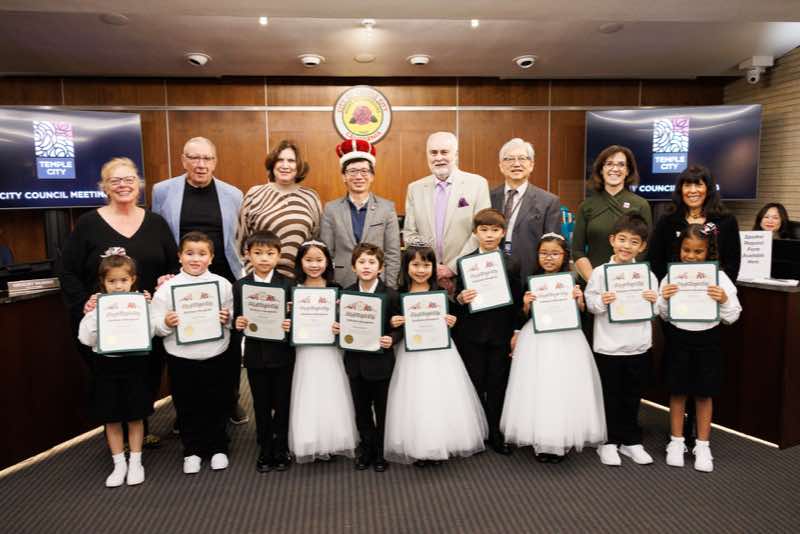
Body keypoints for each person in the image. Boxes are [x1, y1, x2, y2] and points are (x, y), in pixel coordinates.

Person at [61, 157, 177, 448]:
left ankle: (140, 431)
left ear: (139, 185)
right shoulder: (88, 224)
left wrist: (167, 282)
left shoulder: (156, 223)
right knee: (110, 382)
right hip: (106, 325)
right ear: (105, 187)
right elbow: (67, 270)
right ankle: (117, 439)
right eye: (116, 181)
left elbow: (173, 266)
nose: (123, 185)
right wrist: (84, 303)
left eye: (129, 179)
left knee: (147, 375)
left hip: (147, 322)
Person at [151, 137, 248, 426]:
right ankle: (185, 409)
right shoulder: (163, 191)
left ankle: (229, 399)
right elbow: (159, 233)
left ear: (215, 162)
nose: (200, 164)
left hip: (224, 278)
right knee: (183, 341)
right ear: (183, 160)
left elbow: (238, 237)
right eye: (194, 158)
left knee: (228, 342)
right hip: (181, 279)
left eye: (207, 158)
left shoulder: (233, 194)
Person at [501, 233, 606, 463]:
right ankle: (540, 438)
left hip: (567, 339)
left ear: (564, 255)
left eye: (555, 253)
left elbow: (583, 316)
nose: (549, 258)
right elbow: (521, 315)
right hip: (536, 339)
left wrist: (579, 302)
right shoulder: (531, 281)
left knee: (562, 386)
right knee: (538, 386)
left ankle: (560, 439)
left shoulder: (574, 280)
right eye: (544, 253)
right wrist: (526, 305)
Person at [384, 240, 488, 466]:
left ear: (433, 268)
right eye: (415, 265)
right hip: (411, 354)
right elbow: (393, 326)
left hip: (440, 352)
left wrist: (451, 321)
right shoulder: (398, 295)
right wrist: (394, 322)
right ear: (406, 267)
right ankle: (419, 444)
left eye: (426, 265)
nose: (421, 270)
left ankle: (442, 441)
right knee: (415, 396)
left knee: (440, 393)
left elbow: (453, 318)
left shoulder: (440, 292)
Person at [657, 223, 742, 472]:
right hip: (678, 340)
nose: (691, 256)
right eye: (686, 250)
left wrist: (723, 299)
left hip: (708, 341)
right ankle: (676, 442)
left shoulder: (719, 278)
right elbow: (663, 314)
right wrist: (665, 298)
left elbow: (733, 315)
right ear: (679, 249)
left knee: (704, 394)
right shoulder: (672, 276)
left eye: (698, 251)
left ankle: (703, 445)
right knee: (677, 392)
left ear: (708, 252)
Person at [151, 232, 234, 474]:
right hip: (181, 358)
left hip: (216, 354)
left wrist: (227, 318)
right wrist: (166, 322)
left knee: (218, 403)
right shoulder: (167, 289)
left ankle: (218, 447)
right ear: (179, 257)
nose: (195, 259)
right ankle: (192, 450)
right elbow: (155, 324)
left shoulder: (222, 284)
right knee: (187, 405)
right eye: (189, 253)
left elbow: (235, 316)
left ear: (211, 257)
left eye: (202, 254)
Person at [585, 213, 658, 467]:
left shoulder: (647, 275)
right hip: (609, 347)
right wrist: (601, 301)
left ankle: (631, 441)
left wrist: (654, 300)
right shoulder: (600, 273)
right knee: (610, 395)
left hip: (638, 345)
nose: (626, 246)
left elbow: (658, 308)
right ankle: (608, 442)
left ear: (642, 246)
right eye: (622, 239)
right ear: (612, 240)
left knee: (632, 395)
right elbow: (590, 304)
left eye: (634, 242)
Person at [77, 251, 155, 487]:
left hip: (134, 365)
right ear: (103, 282)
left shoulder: (141, 303)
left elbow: (151, 333)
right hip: (106, 367)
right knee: (111, 417)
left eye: (123, 280)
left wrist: (146, 309)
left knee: (135, 416)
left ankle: (136, 461)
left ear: (133, 279)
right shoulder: (97, 306)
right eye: (112, 281)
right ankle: (119, 463)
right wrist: (93, 314)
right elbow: (86, 339)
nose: (118, 286)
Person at [453, 208, 522, 455]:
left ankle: (495, 432)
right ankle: (475, 432)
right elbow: (457, 297)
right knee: (474, 382)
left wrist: (516, 332)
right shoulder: (464, 262)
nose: (489, 235)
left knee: (496, 384)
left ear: (503, 233)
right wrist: (460, 298)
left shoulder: (512, 263)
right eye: (484, 230)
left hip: (500, 334)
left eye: (495, 230)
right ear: (475, 232)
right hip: (471, 334)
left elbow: (517, 302)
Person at [287, 241, 357, 463]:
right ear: (300, 262)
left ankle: (333, 438)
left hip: (330, 350)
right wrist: (289, 318)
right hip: (305, 349)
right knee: (307, 389)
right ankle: (309, 440)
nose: (314, 265)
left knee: (331, 388)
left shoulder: (336, 289)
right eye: (308, 260)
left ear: (328, 262)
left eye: (319, 260)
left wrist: (340, 324)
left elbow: (349, 322)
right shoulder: (294, 289)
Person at [233, 231, 295, 473]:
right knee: (260, 404)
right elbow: (236, 319)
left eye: (270, 253)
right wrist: (237, 323)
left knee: (282, 403)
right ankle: (265, 447)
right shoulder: (240, 286)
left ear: (279, 256)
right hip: (255, 355)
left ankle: (281, 446)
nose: (264, 258)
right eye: (258, 253)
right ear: (248, 255)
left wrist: (290, 324)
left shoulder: (288, 285)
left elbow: (297, 320)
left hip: (282, 355)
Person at [403, 131, 491, 293]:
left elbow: (481, 232)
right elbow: (410, 234)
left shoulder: (478, 184)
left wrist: (452, 268)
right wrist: (430, 266)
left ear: (455, 155)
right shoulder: (415, 188)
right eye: (433, 152)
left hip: (465, 277)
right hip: (426, 278)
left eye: (444, 152)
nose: (438, 158)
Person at [343, 243, 401, 472]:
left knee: (383, 408)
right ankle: (366, 449)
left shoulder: (391, 294)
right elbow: (341, 326)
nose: (366, 266)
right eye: (361, 262)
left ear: (381, 267)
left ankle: (379, 451)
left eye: (372, 262)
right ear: (353, 266)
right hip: (355, 363)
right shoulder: (346, 294)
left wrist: (392, 338)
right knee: (361, 409)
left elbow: (399, 327)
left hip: (381, 363)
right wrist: (338, 328)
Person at [320, 140, 401, 289]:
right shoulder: (331, 209)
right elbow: (326, 254)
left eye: (364, 171)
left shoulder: (387, 208)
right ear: (344, 176)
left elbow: (393, 254)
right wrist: (330, 285)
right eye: (352, 171)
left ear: (372, 176)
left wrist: (389, 288)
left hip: (378, 283)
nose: (358, 176)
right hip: (341, 282)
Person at [236, 139, 322, 279]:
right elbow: (241, 240)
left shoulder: (310, 197)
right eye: (280, 160)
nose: (285, 165)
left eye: (291, 161)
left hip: (300, 279)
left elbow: (316, 239)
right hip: (262, 278)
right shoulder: (255, 194)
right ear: (272, 164)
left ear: (298, 165)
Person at [572, 145, 652, 284]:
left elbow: (645, 249)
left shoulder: (641, 205)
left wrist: (623, 281)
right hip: (592, 283)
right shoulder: (586, 206)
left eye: (621, 165)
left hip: (628, 284)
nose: (615, 169)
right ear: (601, 169)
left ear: (627, 171)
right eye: (609, 164)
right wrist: (596, 282)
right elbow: (577, 251)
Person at [649, 165, 740, 282]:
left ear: (708, 189)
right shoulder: (667, 220)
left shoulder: (726, 220)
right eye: (687, 185)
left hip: (714, 289)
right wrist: (667, 286)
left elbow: (732, 263)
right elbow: (655, 260)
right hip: (673, 288)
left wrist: (722, 288)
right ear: (681, 190)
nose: (692, 190)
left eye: (698, 185)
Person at [490, 138, 561, 279]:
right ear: (501, 166)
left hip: (530, 272)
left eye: (522, 158)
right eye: (509, 159)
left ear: (531, 165)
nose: (516, 164)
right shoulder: (489, 197)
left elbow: (552, 246)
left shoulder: (549, 201)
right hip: (493, 272)